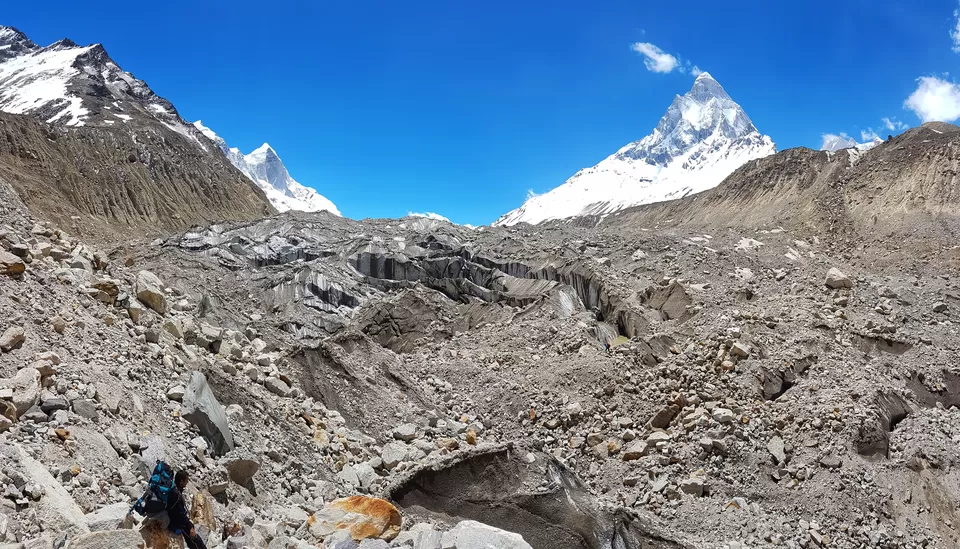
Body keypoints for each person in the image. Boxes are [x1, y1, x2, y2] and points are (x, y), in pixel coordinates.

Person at [167, 470, 207, 549]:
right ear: (181, 481)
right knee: (195, 541)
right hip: (177, 523)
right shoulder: (176, 494)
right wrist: (190, 527)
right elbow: (180, 514)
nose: (187, 482)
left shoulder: (175, 490)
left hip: (176, 519)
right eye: (186, 480)